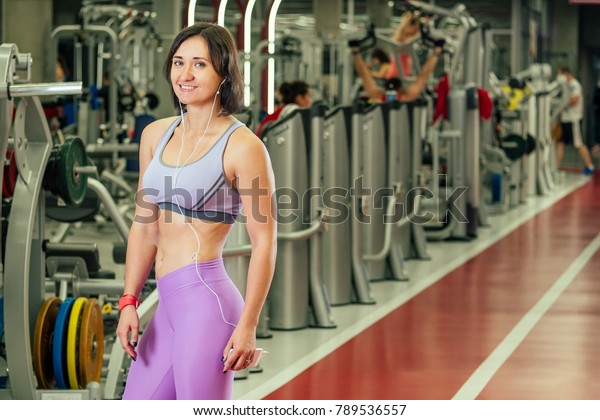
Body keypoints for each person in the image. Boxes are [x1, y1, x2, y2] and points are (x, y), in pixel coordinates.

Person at [116, 22, 277, 400]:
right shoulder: (155, 134)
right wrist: (128, 301)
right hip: (166, 305)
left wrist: (248, 325)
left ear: (224, 72)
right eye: (178, 62)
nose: (184, 75)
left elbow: (265, 241)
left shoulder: (243, 147)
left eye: (199, 65)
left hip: (207, 305)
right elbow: (145, 227)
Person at [350, 41, 442, 103]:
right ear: (401, 90)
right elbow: (424, 75)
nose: (392, 95)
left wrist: (355, 52)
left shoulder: (379, 97)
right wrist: (437, 51)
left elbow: (363, 74)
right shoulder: (406, 97)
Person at [555, 66, 595, 175]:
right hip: (564, 119)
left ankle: (589, 166)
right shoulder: (565, 86)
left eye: (560, 75)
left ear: (566, 74)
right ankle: (556, 167)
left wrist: (562, 104)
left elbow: (574, 100)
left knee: (579, 143)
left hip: (573, 120)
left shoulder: (574, 85)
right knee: (560, 143)